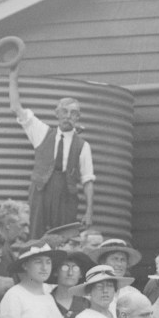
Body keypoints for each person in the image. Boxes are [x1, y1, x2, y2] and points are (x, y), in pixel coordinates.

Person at [6, 71, 95, 231]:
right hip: (40, 190)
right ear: (57, 113)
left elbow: (88, 180)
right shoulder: (41, 132)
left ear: (78, 118)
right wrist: (13, 76)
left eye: (73, 113)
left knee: (63, 237)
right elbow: (16, 107)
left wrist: (89, 212)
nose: (68, 116)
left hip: (66, 195)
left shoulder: (83, 146)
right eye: (64, 111)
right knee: (35, 233)